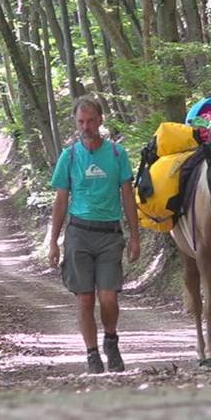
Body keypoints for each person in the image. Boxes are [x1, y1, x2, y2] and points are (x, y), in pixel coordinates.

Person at [48, 96, 141, 374]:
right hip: (78, 233)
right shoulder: (70, 156)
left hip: (110, 233)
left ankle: (110, 340)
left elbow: (127, 195)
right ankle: (92, 354)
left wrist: (135, 236)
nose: (85, 126)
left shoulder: (116, 154)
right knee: (85, 299)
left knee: (109, 297)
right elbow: (61, 200)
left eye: (90, 121)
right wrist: (53, 241)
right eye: (80, 122)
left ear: (100, 120)